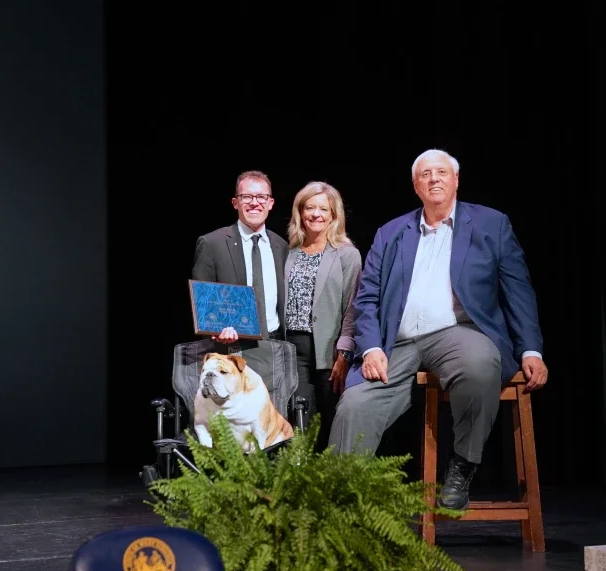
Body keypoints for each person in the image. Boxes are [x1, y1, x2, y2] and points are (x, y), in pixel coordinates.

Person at [327, 149, 549, 510]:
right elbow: (366, 299)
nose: (434, 179)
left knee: (481, 365)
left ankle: (462, 465)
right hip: (396, 340)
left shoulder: (491, 224)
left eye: (442, 172)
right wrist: (370, 348)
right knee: (355, 403)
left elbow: (518, 291)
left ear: (456, 180)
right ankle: (336, 502)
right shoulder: (391, 233)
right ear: (415, 186)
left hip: (456, 332)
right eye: (425, 174)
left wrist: (531, 350)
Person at [283, 181, 362, 448]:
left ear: (333, 215)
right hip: (292, 348)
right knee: (300, 419)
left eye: (323, 209)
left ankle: (332, 482)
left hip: (329, 349)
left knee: (331, 418)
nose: (316, 214)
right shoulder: (287, 253)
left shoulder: (347, 255)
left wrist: (345, 352)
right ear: (300, 212)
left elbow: (353, 307)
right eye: (309, 208)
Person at [192, 170, 289, 342]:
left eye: (261, 197)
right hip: (230, 349)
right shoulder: (212, 243)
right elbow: (203, 302)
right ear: (235, 202)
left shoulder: (281, 246)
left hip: (276, 345)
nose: (254, 203)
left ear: (271, 203)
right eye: (246, 197)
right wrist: (215, 331)